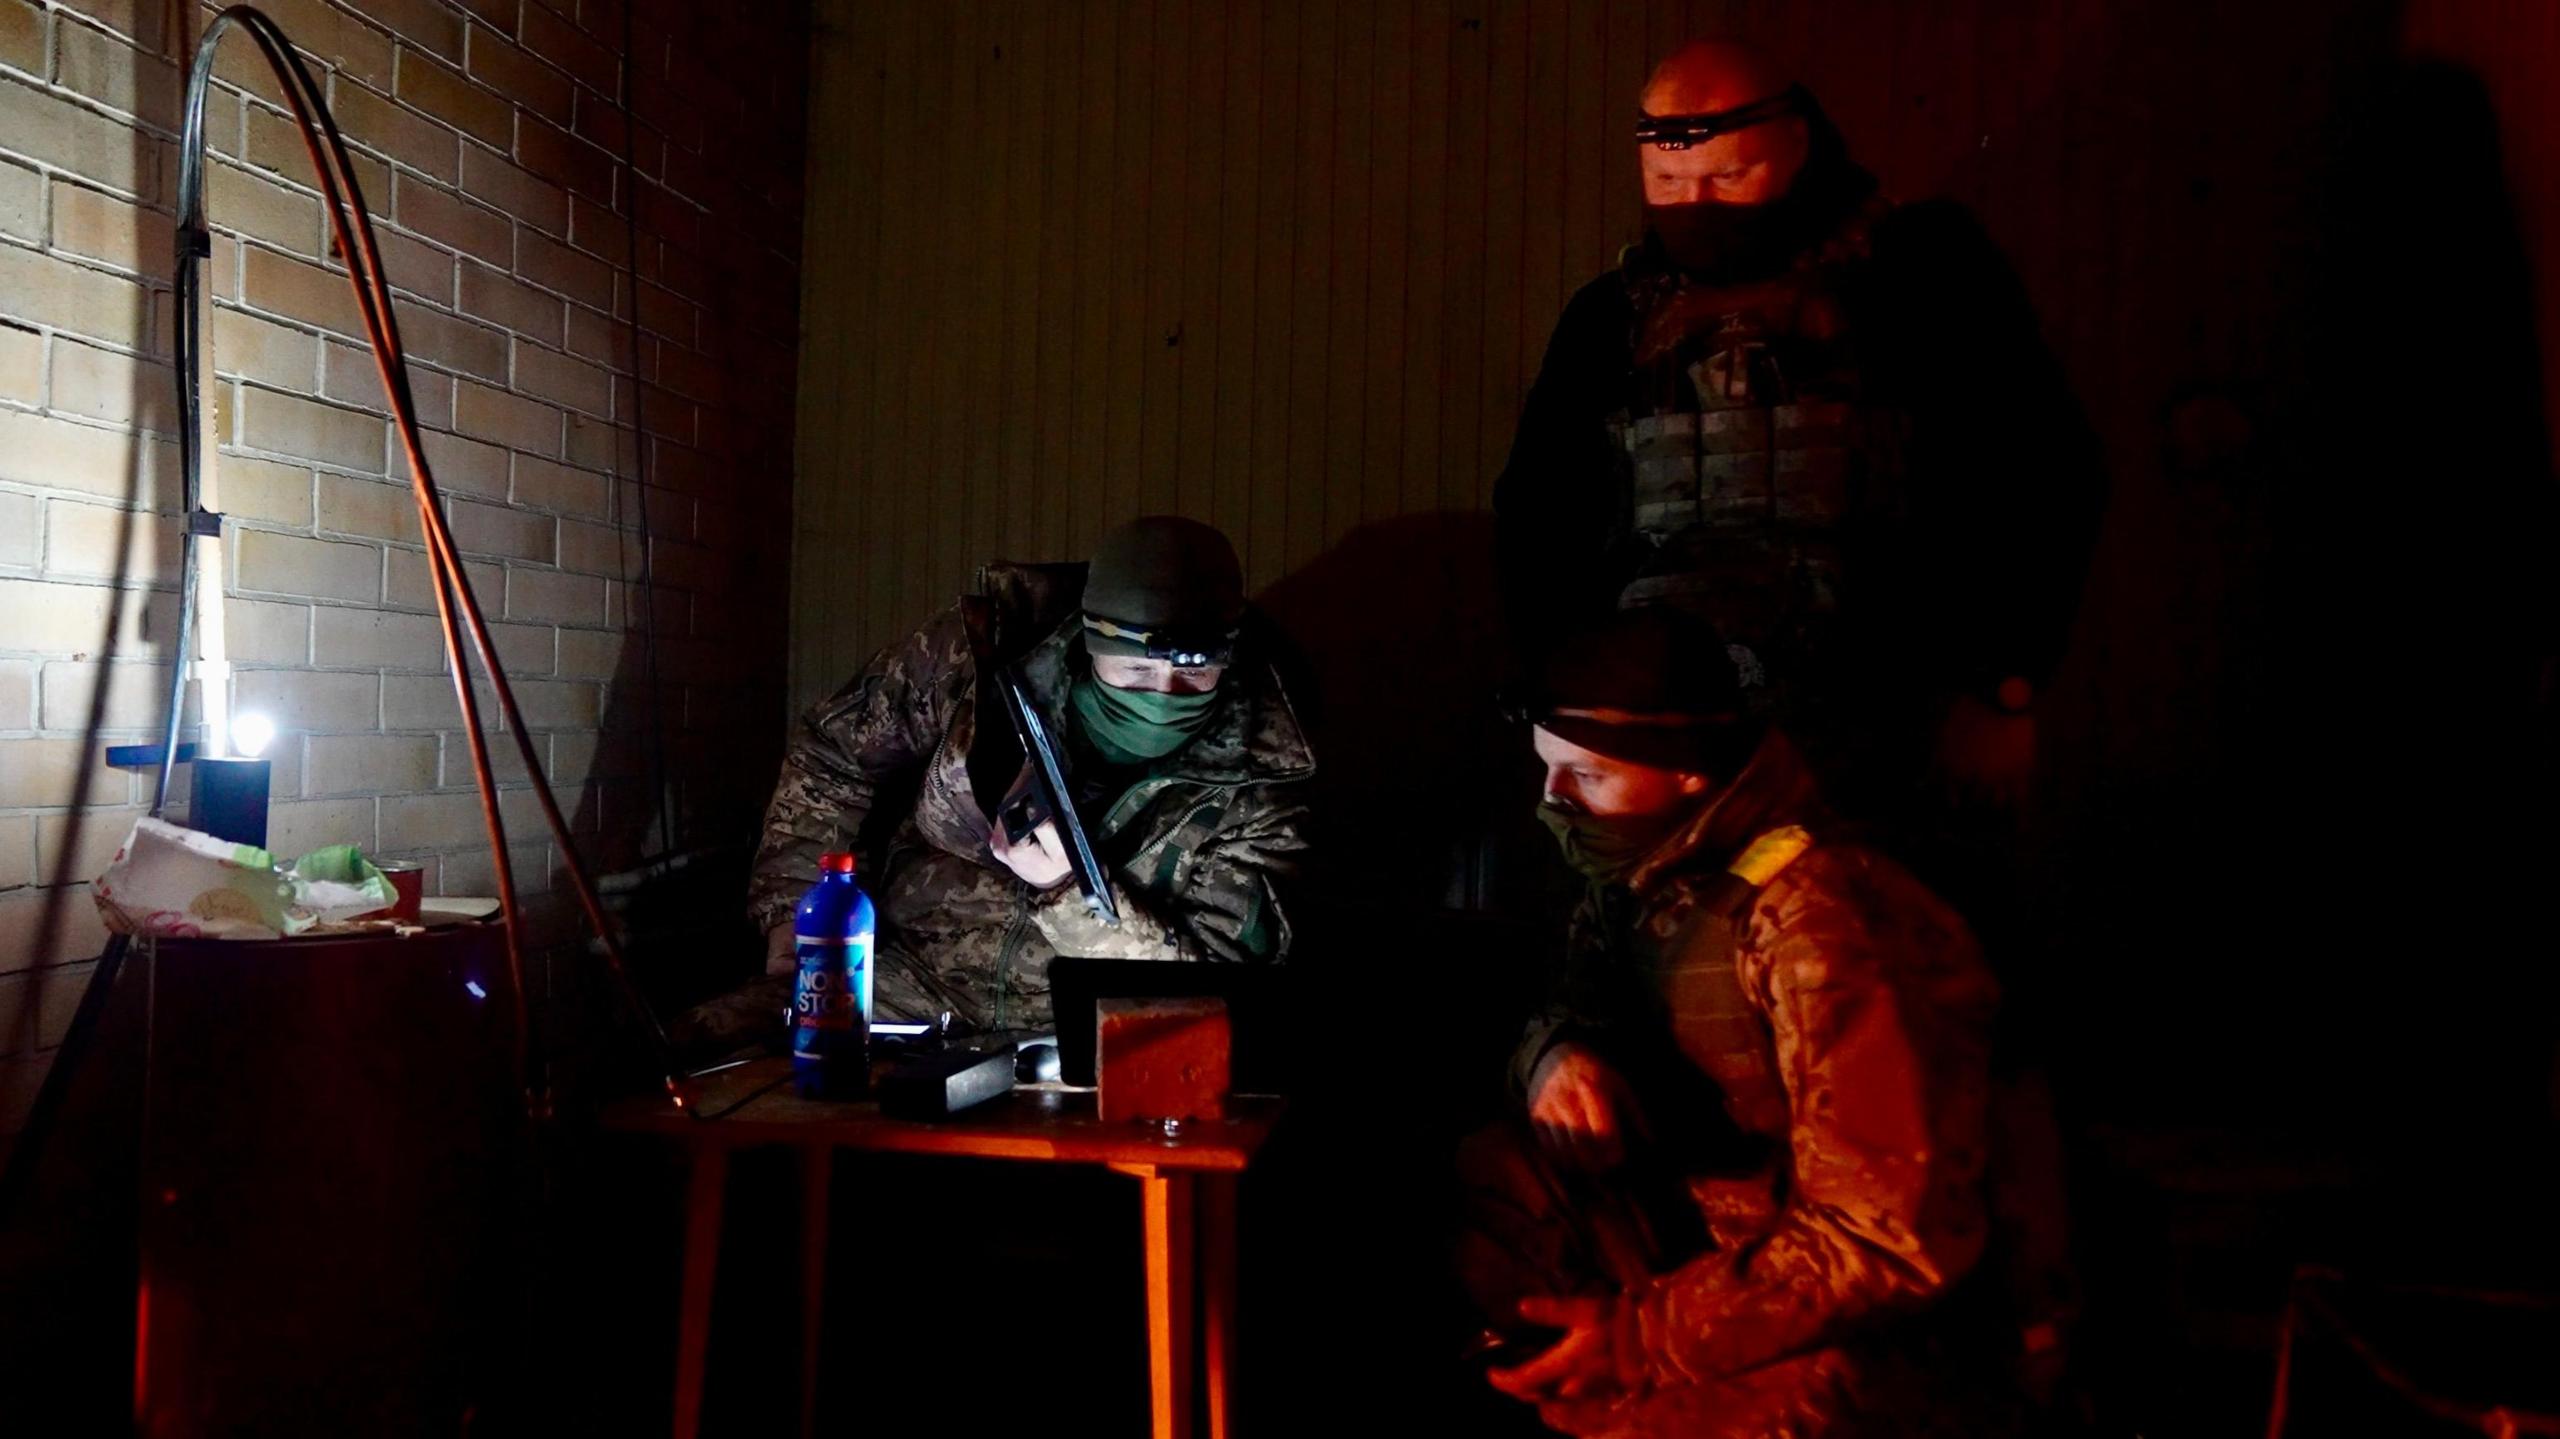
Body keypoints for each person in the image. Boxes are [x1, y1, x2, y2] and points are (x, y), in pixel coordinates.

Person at [1492, 39, 2105, 827]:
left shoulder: (1922, 277)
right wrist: (1569, 709)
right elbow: (1539, 519)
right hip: (1667, 744)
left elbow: (2046, 473)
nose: (1698, 205)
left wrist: (2006, 684)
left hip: (1893, 728)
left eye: (1728, 176)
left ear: (1798, 147)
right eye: (1669, 182)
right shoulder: (1609, 318)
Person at [1462, 606, 2006, 1438]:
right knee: (1501, 1168)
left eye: (1586, 775)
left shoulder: (1822, 919)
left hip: (1868, 1320)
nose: (1553, 800)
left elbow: (1887, 1237)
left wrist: (1645, 1338)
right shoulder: (1649, 872)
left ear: (1686, 771)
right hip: (1709, 1252)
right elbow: (1571, 1000)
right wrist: (1555, 1057)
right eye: (1546, 770)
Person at [725, 515, 1314, 1039]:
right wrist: (790, 910)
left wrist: (1069, 891)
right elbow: (834, 752)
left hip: (1083, 1029)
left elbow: (1216, 997)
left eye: (1193, 674)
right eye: (1136, 669)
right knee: (710, 1049)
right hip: (907, 977)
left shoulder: (1259, 780)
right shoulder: (981, 657)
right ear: (1091, 640)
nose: (1162, 697)